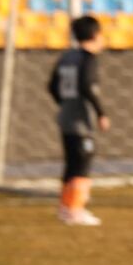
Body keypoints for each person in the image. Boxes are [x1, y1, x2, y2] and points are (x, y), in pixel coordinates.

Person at [48, 15, 109, 226]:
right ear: (95, 35)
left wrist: (65, 103)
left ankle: (65, 208)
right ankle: (76, 211)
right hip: (80, 120)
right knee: (83, 163)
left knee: (71, 164)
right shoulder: (88, 59)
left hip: (65, 117)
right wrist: (101, 113)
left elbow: (52, 85)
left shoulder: (67, 57)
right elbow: (86, 86)